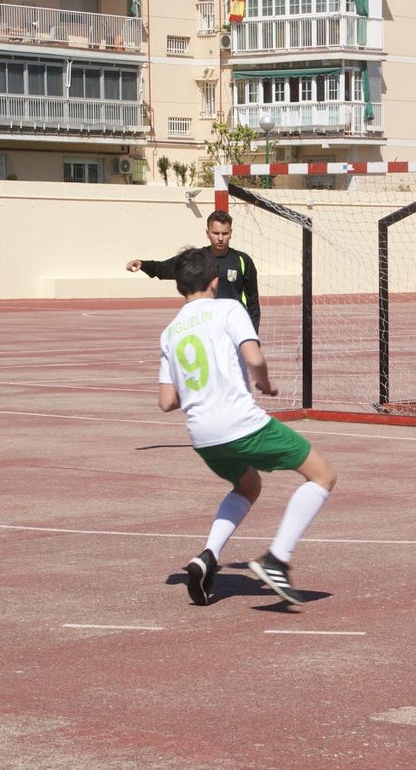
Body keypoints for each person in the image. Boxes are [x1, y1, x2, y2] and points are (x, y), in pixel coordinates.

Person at [158, 248, 335, 606]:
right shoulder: (228, 308)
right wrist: (265, 383)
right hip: (239, 422)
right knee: (322, 475)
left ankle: (207, 555)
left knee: (248, 484)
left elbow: (166, 401)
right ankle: (277, 560)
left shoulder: (170, 331)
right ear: (214, 281)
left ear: (180, 287)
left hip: (203, 436)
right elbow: (253, 356)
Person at [128, 210, 261, 331]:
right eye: (215, 233)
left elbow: (253, 303)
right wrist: (143, 264)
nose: (220, 238)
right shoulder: (197, 258)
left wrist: (252, 333)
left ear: (231, 233)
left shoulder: (243, 261)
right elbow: (164, 268)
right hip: (205, 326)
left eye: (225, 233)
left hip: (233, 325)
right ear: (207, 233)